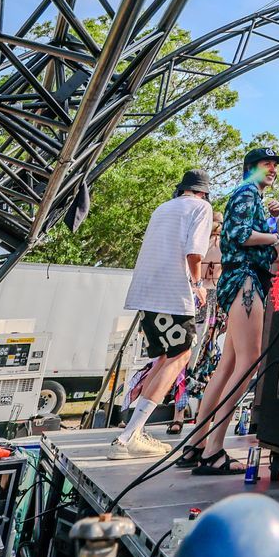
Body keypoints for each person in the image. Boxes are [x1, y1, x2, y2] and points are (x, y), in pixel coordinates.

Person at [183, 147, 279, 474]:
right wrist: (274, 238)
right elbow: (240, 235)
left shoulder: (250, 196)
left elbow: (243, 229)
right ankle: (213, 450)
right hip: (245, 281)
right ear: (251, 167)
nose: (272, 170)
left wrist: (271, 220)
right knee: (249, 361)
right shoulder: (246, 192)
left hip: (239, 281)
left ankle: (196, 444)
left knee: (227, 364)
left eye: (274, 165)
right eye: (267, 164)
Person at [110, 169, 216, 458]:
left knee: (165, 357)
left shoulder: (163, 208)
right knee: (181, 355)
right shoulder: (202, 208)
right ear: (204, 192)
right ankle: (128, 437)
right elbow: (195, 252)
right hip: (172, 294)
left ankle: (132, 431)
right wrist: (197, 286)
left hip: (146, 293)